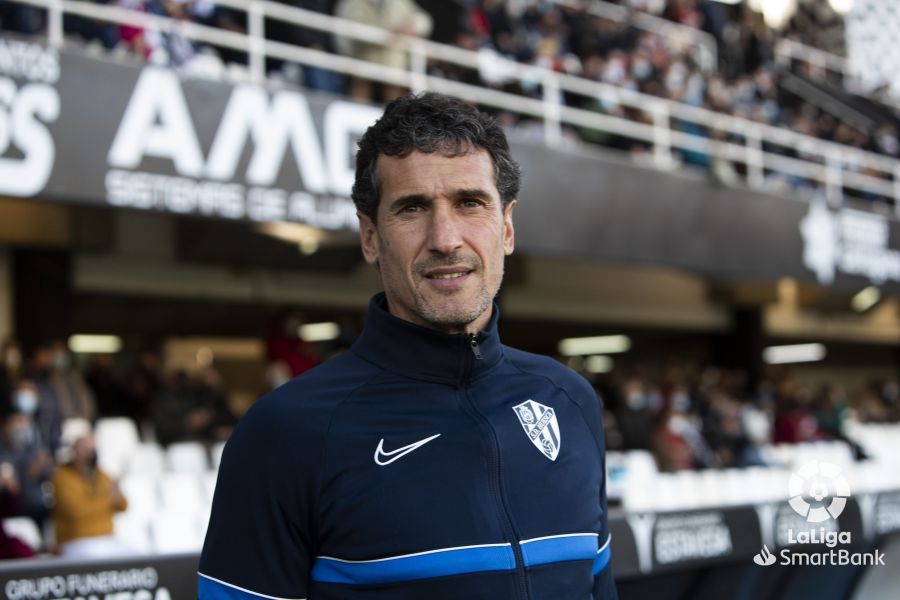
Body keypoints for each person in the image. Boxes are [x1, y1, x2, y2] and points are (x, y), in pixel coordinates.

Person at [199, 93, 618, 599]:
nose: (445, 238)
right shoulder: (285, 432)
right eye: (412, 208)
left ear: (506, 227)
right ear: (371, 237)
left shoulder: (569, 400)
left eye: (470, 203)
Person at [51, 421, 130, 558]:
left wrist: (115, 493)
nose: (90, 453)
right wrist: (107, 498)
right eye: (85, 448)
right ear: (74, 451)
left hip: (107, 539)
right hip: (76, 542)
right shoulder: (62, 476)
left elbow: (123, 506)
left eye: (92, 448)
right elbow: (76, 512)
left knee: (137, 558)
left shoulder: (102, 475)